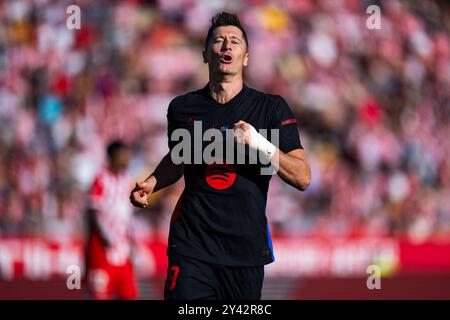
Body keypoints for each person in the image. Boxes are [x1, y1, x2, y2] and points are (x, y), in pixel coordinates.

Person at [130, 12, 311, 300]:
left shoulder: (270, 108)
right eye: (219, 40)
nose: (227, 46)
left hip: (245, 251)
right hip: (192, 243)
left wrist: (258, 142)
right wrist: (152, 182)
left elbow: (302, 177)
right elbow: (179, 158)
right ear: (205, 54)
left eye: (235, 41)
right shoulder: (183, 108)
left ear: (246, 57)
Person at [86, 140, 137, 300]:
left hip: (123, 249)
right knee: (100, 294)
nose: (128, 158)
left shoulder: (127, 179)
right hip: (103, 248)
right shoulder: (101, 178)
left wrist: (131, 239)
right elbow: (93, 210)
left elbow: (127, 215)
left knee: (129, 294)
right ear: (113, 156)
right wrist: (103, 237)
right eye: (124, 154)